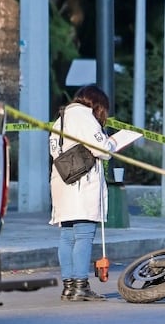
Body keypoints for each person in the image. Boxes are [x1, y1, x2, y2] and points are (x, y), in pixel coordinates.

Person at [49, 84, 117, 302]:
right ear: (97, 104)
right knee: (84, 235)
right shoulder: (84, 117)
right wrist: (113, 142)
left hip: (62, 182)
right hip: (82, 184)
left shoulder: (61, 118)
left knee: (67, 236)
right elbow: (102, 149)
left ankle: (68, 287)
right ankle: (81, 285)